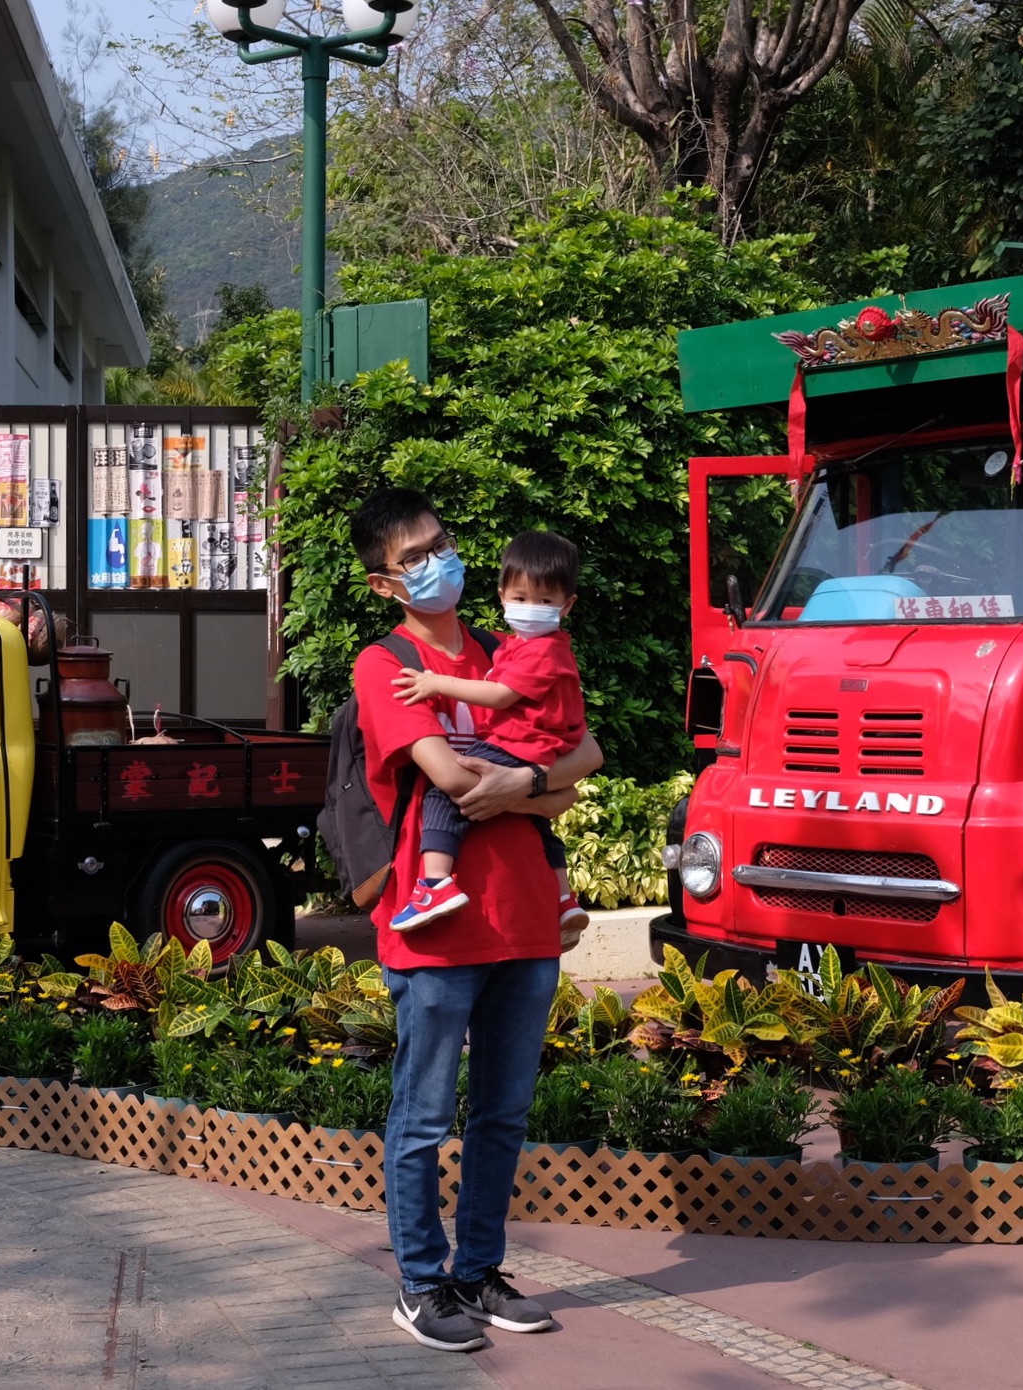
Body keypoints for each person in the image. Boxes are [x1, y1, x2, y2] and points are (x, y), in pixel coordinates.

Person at [349, 487, 603, 1353]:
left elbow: (586, 757)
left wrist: (525, 786)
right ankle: (421, 1284)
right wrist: (529, 785)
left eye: (441, 544)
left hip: (525, 919)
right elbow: (452, 783)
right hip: (436, 928)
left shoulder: (513, 644)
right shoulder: (385, 665)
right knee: (422, 1117)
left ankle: (478, 1271)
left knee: (501, 1113)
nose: (435, 564)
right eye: (413, 558)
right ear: (385, 584)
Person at [390, 530, 590, 936]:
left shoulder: (541, 650)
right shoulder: (519, 645)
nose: (530, 608)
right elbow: (578, 765)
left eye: (544, 601)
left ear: (567, 606)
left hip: (521, 746)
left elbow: (499, 695)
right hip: (540, 751)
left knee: (443, 796)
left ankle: (434, 885)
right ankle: (564, 897)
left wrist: (435, 683)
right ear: (502, 596)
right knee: (541, 825)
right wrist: (535, 798)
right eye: (519, 598)